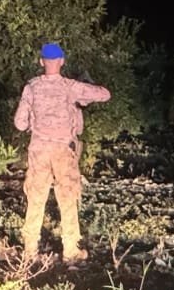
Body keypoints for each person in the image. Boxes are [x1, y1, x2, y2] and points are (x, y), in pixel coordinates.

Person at [14, 43, 110, 261]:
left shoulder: (31, 87)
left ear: (41, 62)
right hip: (63, 151)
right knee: (67, 198)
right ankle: (71, 251)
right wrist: (86, 89)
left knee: (36, 197)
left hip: (39, 150)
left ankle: (30, 251)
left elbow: (20, 124)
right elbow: (105, 95)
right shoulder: (70, 86)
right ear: (62, 61)